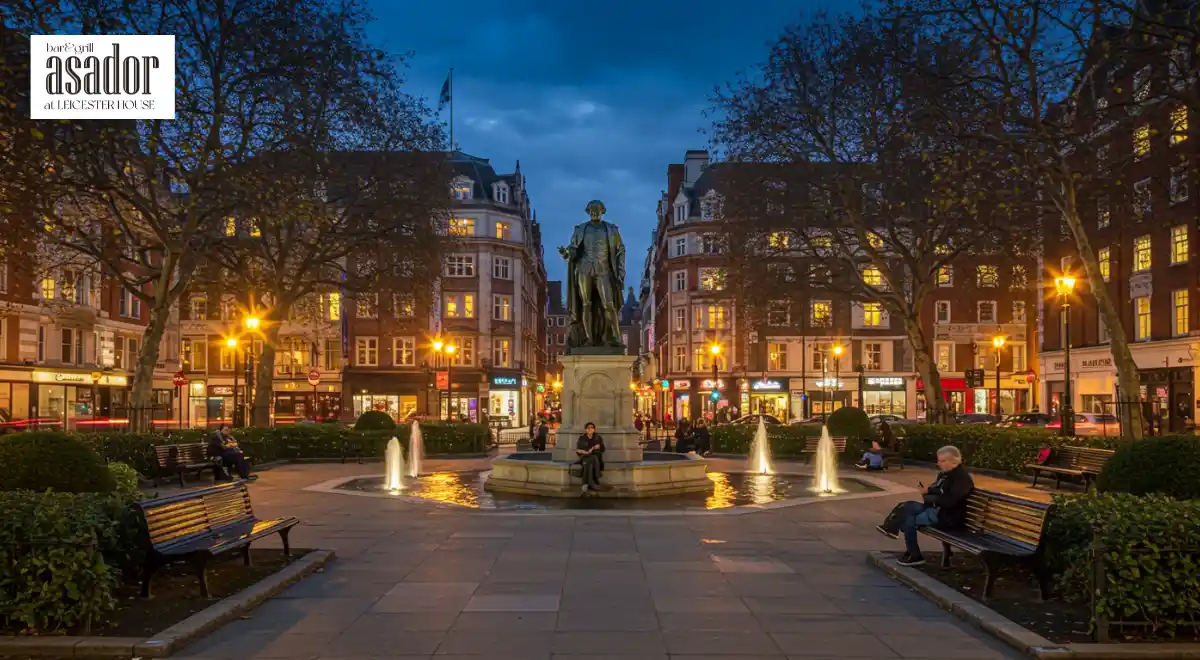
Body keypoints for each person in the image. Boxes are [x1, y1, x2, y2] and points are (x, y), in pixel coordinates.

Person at [876, 445, 972, 566]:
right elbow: (935, 493)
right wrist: (928, 493)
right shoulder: (945, 474)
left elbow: (951, 501)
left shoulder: (961, 478)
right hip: (936, 509)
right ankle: (897, 535)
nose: (939, 464)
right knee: (907, 506)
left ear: (954, 461)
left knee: (908, 519)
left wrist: (931, 496)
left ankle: (912, 552)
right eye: (939, 460)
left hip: (948, 517)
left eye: (943, 461)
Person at [575, 422, 605, 494]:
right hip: (585, 456)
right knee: (589, 460)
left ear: (594, 429)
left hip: (596, 457)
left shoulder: (598, 437)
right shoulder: (582, 438)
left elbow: (603, 449)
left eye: (592, 428)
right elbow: (578, 450)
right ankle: (593, 482)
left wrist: (599, 447)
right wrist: (584, 452)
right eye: (588, 428)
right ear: (585, 429)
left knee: (589, 462)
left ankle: (585, 484)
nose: (590, 429)